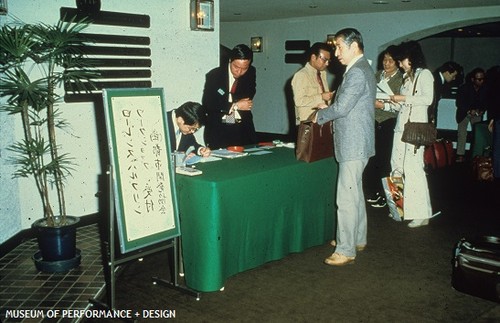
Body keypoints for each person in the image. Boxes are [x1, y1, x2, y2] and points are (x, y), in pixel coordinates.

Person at [314, 28, 376, 266]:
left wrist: (318, 116)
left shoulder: (357, 72)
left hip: (353, 144)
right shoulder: (361, 69)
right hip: (359, 142)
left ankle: (346, 249)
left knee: (346, 198)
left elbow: (341, 109)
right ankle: (356, 238)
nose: (336, 52)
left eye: (339, 47)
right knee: (355, 193)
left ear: (353, 46)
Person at [389, 40, 434, 228]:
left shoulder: (424, 75)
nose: (399, 64)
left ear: (411, 57)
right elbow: (403, 104)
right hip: (401, 127)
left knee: (414, 169)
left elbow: (427, 99)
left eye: (402, 60)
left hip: (414, 129)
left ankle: (422, 213)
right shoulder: (407, 77)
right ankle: (399, 208)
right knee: (396, 166)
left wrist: (403, 98)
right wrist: (388, 103)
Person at [365, 45, 404, 208]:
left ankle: (390, 199)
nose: (387, 63)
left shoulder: (401, 79)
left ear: (397, 62)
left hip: (389, 122)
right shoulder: (376, 75)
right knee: (371, 157)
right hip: (373, 120)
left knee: (386, 160)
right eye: (384, 60)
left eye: (391, 60)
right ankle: (373, 192)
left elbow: (400, 105)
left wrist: (384, 105)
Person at [202, 44, 257, 149]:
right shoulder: (215, 75)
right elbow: (209, 103)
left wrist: (233, 102)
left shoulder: (251, 72)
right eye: (236, 67)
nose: (239, 72)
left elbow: (249, 94)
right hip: (219, 127)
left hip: (241, 127)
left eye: (244, 68)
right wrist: (235, 105)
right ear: (230, 60)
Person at [291, 42, 334, 128]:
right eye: (324, 60)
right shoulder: (301, 75)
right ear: (313, 57)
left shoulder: (322, 74)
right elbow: (299, 101)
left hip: (322, 121)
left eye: (328, 61)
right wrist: (321, 97)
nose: (327, 64)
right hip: (307, 124)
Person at [455, 68, 488, 162]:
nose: (481, 81)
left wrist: (481, 110)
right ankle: (460, 155)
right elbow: (459, 103)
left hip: (477, 114)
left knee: (478, 134)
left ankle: (475, 155)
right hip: (464, 113)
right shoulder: (463, 88)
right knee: (462, 134)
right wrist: (469, 110)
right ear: (473, 79)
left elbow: (486, 102)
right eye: (478, 79)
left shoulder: (485, 89)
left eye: (482, 79)